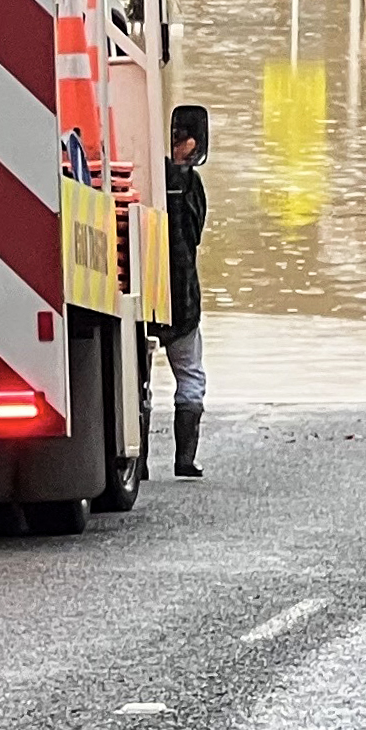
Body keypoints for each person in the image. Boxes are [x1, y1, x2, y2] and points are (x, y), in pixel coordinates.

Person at [156, 105, 210, 477]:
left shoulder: (147, 174)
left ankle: (135, 461)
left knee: (137, 381)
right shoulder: (189, 182)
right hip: (182, 295)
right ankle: (184, 458)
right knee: (190, 374)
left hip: (137, 292)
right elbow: (195, 234)